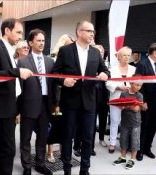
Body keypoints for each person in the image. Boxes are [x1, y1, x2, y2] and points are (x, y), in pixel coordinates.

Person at [52, 20, 110, 175]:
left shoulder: (95, 52)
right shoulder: (65, 51)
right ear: (79, 32)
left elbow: (104, 70)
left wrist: (105, 73)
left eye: (93, 32)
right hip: (70, 102)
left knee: (87, 138)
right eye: (89, 31)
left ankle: (85, 170)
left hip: (89, 103)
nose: (92, 34)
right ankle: (67, 169)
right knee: (67, 137)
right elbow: (54, 74)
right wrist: (63, 81)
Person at [0, 18, 33, 175]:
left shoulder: (9, 49)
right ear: (7, 31)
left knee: (5, 150)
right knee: (5, 150)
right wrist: (17, 72)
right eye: (18, 32)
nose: (20, 36)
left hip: (9, 106)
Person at [18, 29, 54, 175]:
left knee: (43, 137)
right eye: (38, 40)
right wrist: (18, 110)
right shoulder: (22, 61)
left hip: (46, 104)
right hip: (28, 105)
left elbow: (54, 84)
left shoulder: (50, 61)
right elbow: (19, 87)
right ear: (31, 43)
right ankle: (26, 166)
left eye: (43, 40)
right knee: (25, 137)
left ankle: (40, 163)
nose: (41, 43)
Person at [135, 43, 156, 161]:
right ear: (154, 52)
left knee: (153, 126)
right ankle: (140, 150)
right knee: (144, 126)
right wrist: (142, 101)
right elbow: (139, 84)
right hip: (146, 101)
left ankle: (148, 148)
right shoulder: (143, 64)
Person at [47, 34, 74, 163]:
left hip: (67, 100)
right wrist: (55, 102)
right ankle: (50, 152)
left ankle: (64, 152)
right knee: (54, 126)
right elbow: (53, 82)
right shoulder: (54, 60)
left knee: (66, 127)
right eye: (69, 43)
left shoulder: (72, 60)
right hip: (56, 100)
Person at [106, 46, 136, 153]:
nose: (127, 57)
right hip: (116, 97)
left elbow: (137, 82)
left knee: (127, 122)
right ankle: (112, 143)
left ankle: (125, 144)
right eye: (124, 55)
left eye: (129, 55)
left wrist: (131, 87)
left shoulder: (133, 69)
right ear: (119, 57)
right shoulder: (112, 69)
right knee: (114, 121)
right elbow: (108, 83)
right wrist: (118, 87)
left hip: (130, 98)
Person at [112, 78, 143, 170]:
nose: (138, 87)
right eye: (137, 85)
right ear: (131, 83)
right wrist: (121, 106)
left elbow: (136, 109)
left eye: (140, 85)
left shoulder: (140, 95)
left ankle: (132, 159)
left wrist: (127, 105)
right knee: (123, 140)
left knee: (135, 141)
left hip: (135, 123)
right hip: (125, 122)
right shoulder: (124, 93)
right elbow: (121, 106)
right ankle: (123, 158)